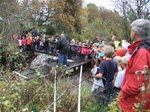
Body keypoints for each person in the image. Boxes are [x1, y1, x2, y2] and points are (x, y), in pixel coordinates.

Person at [119, 19, 150, 112]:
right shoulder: (144, 49)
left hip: (134, 103)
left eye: (131, 30)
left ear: (134, 32)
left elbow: (136, 80)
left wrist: (122, 94)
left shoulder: (142, 52)